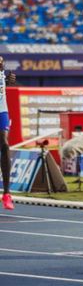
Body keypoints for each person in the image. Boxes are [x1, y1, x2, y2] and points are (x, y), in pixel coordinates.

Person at [0, 56, 16, 210]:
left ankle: (7, 193)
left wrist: (8, 79)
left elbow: (5, 79)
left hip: (1, 111)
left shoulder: (1, 64)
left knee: (4, 145)